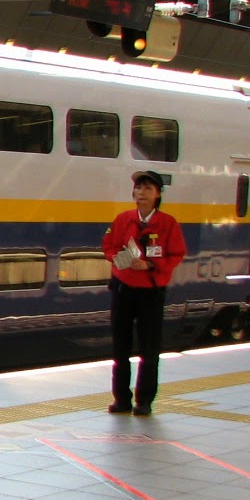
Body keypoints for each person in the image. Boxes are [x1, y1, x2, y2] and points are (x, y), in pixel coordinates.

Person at [102, 170, 186, 416]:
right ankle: (121, 399)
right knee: (120, 346)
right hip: (123, 288)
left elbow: (176, 254)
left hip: (151, 290)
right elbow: (108, 246)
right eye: (139, 188)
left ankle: (145, 400)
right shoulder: (123, 219)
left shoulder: (168, 223)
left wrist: (150, 264)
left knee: (149, 348)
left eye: (148, 188)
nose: (142, 193)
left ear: (158, 194)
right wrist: (119, 259)